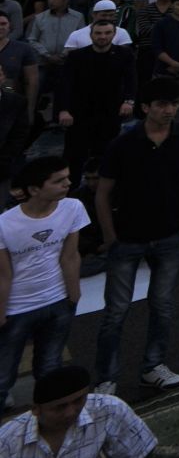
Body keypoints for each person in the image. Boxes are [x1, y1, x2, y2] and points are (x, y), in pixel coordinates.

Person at [92, 78, 179, 392]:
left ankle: (153, 366)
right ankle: (106, 378)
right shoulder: (123, 143)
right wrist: (111, 236)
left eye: (174, 104)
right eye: (162, 105)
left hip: (170, 235)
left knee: (163, 304)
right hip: (128, 237)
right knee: (115, 311)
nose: (169, 110)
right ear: (145, 108)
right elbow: (103, 192)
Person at [0, 157, 86, 407]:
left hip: (58, 301)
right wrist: (2, 312)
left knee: (50, 369)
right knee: (4, 374)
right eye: (58, 181)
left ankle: (49, 420)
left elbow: (70, 255)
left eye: (67, 178)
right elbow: (3, 274)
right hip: (18, 308)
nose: (67, 184)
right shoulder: (5, 224)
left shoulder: (73, 208)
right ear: (35, 189)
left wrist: (74, 296)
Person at [0, 365, 158, 458]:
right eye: (60, 407)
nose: (71, 412)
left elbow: (141, 453)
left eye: (78, 401)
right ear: (36, 409)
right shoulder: (7, 440)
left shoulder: (109, 409)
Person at [56, 9, 136, 190]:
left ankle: (105, 191)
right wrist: (64, 109)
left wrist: (129, 101)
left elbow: (131, 81)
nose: (102, 37)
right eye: (98, 33)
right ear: (91, 34)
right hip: (79, 113)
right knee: (74, 156)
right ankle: (70, 192)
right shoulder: (76, 57)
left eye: (107, 33)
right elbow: (65, 85)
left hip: (110, 112)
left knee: (107, 154)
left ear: (114, 35)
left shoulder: (124, 55)